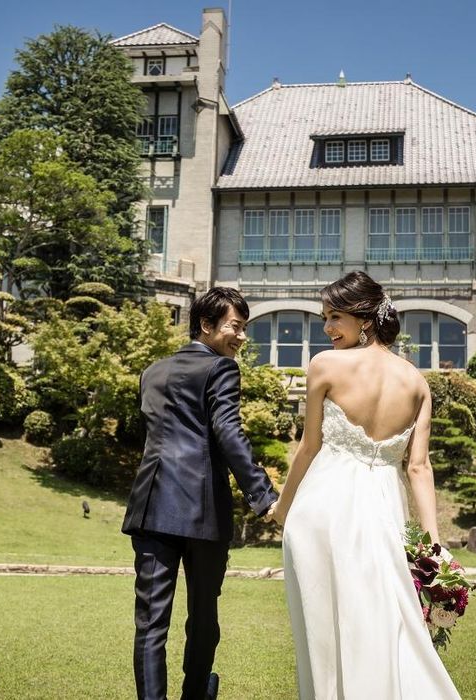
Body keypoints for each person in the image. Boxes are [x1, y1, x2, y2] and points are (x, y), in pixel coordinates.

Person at [267, 271, 461, 699]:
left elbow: (308, 447)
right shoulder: (417, 382)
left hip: (324, 506)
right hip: (384, 510)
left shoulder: (325, 365)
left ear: (366, 319)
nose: (327, 328)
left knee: (325, 628)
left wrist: (282, 507)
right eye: (325, 318)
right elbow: (418, 468)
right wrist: (432, 545)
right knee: (386, 617)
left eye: (335, 317)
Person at [122, 287, 277, 700]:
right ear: (206, 325)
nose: (241, 337)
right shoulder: (222, 368)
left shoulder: (151, 371)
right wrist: (264, 495)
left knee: (150, 623)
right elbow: (228, 431)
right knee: (203, 614)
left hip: (151, 507)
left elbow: (153, 438)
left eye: (244, 328)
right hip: (201, 510)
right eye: (235, 327)